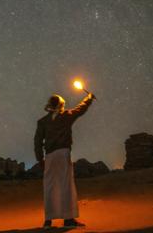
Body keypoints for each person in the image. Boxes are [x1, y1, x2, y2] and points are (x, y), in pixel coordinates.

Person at [34, 90, 95, 229]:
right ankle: (68, 220)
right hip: (62, 153)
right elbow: (81, 108)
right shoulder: (67, 115)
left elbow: (37, 142)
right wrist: (89, 98)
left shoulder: (42, 122)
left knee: (49, 186)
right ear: (61, 104)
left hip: (49, 156)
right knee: (65, 185)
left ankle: (48, 221)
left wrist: (40, 160)